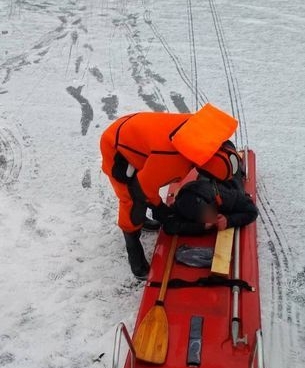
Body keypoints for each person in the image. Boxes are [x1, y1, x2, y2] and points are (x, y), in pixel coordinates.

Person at [100, 103, 240, 280]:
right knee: (132, 200)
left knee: (145, 187)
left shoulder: (199, 134)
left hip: (137, 134)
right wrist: (160, 209)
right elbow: (144, 187)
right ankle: (132, 244)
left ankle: (141, 220)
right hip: (117, 146)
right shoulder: (171, 159)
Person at [163, 145, 258, 236]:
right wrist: (200, 227)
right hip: (207, 177)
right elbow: (169, 225)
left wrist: (228, 221)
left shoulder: (224, 197)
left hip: (229, 171)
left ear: (210, 205)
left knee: (228, 154)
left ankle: (222, 146)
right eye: (202, 217)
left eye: (206, 213)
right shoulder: (183, 205)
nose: (209, 218)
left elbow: (252, 211)